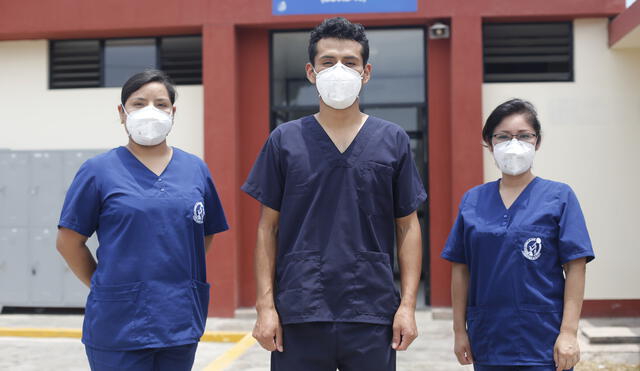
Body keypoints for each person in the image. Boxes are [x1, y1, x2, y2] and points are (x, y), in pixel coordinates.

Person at [241, 17, 427, 371]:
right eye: (328, 62)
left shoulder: (392, 140)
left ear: (366, 72)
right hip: (300, 310)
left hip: (371, 312)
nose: (338, 70)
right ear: (311, 72)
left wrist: (407, 305)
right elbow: (268, 229)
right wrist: (265, 308)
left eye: (350, 62)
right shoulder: (285, 140)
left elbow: (408, 227)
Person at [56, 69, 228, 371]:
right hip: (117, 326)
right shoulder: (98, 171)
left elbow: (205, 234)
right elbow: (69, 242)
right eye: (138, 103)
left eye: (161, 104)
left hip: (179, 321)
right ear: (122, 113)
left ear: (173, 112)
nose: (151, 111)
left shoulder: (195, 170)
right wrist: (104, 285)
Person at [441, 99, 594, 371]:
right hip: (488, 338)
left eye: (524, 136)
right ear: (489, 143)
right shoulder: (473, 200)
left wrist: (569, 333)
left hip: (544, 340)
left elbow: (576, 266)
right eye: (503, 136)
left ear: (537, 142)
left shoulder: (559, 197)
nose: (514, 144)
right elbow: (461, 269)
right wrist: (459, 331)